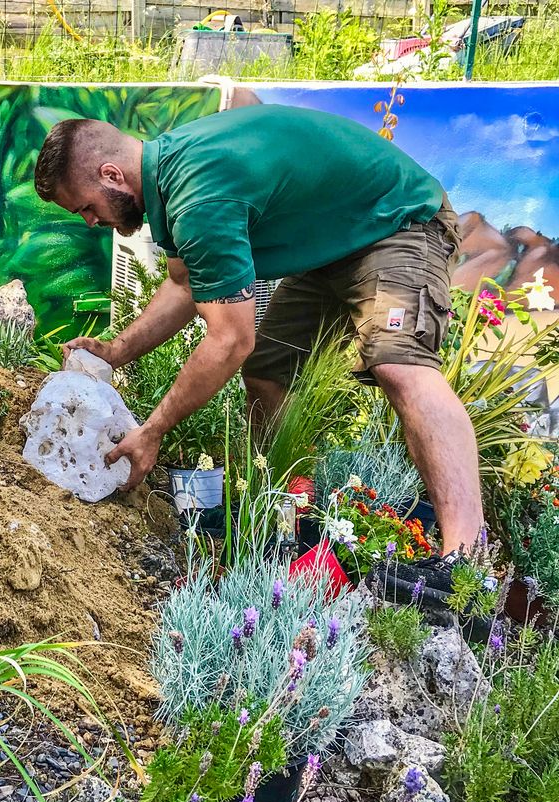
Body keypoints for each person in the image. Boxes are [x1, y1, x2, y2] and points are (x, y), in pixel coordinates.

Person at [33, 105, 485, 599]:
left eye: (86, 207)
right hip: (333, 245)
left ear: (111, 174)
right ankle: (300, 507)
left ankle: (464, 563)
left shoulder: (199, 193)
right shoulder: (173, 178)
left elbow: (229, 339)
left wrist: (153, 431)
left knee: (400, 365)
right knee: (268, 369)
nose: (92, 221)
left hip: (397, 222)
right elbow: (183, 286)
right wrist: (115, 350)